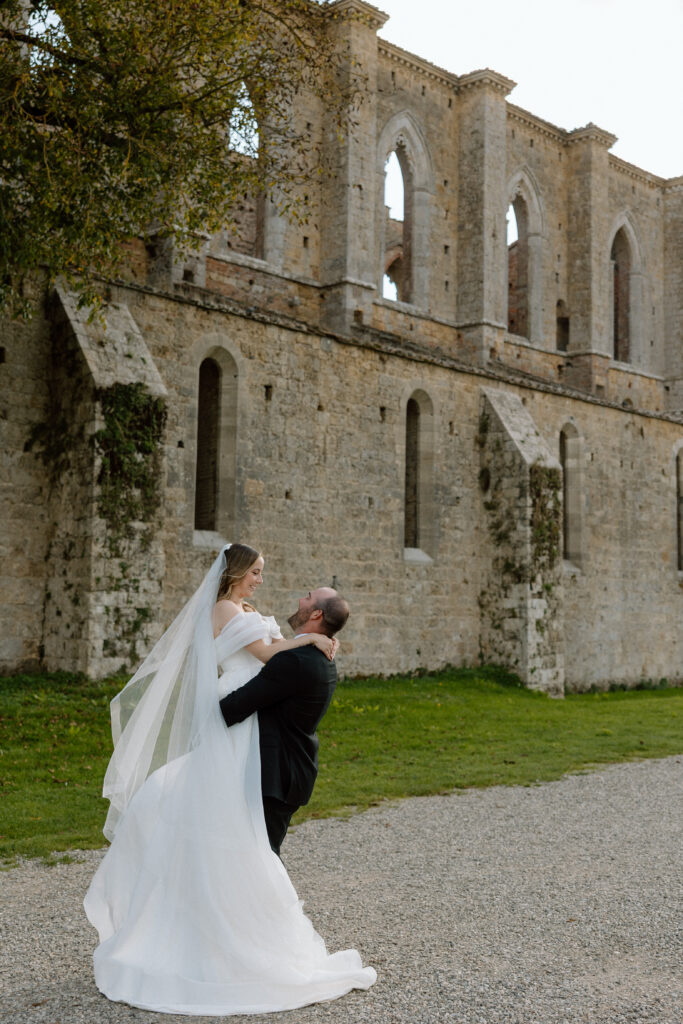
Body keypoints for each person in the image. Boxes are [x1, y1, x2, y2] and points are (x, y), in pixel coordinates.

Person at [83, 544, 376, 1016]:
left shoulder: (245, 609)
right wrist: (308, 641)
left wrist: (304, 643)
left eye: (263, 571)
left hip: (244, 725)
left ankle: (222, 932)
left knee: (229, 826)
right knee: (215, 820)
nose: (261, 579)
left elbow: (268, 655)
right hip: (234, 718)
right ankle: (202, 936)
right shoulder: (223, 606)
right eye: (256, 571)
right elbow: (264, 653)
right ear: (237, 571)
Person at [219, 581, 349, 856]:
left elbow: (234, 708)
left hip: (276, 775)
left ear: (316, 615)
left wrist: (209, 696)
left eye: (308, 597)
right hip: (293, 768)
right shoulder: (319, 656)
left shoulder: (295, 661)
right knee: (257, 854)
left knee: (261, 856)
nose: (301, 599)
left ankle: (275, 901)